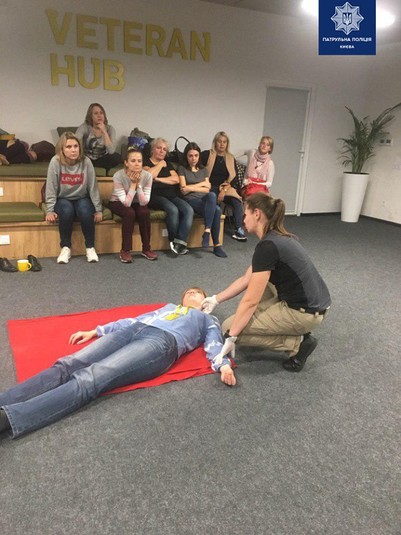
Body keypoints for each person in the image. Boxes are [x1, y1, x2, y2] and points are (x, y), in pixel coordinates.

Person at [0, 287, 236, 439]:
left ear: (206, 300)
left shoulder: (207, 318)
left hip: (161, 342)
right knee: (69, 363)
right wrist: (96, 330)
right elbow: (133, 320)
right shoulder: (169, 307)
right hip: (136, 329)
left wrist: (222, 364)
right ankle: (5, 400)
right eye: (189, 291)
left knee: (91, 377)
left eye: (198, 292)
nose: (192, 293)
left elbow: (214, 343)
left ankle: (9, 418)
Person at [202, 193, 331, 372]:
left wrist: (232, 336)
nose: (243, 219)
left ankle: (298, 343)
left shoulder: (267, 247)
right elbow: (246, 279)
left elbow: (250, 301)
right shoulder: (279, 237)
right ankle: (271, 322)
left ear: (257, 214)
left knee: (229, 327)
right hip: (315, 304)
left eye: (245, 214)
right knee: (258, 283)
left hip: (305, 314)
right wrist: (215, 299)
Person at [45, 132, 103, 264]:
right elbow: (51, 187)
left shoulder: (86, 161)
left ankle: (90, 247)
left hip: (82, 197)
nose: (73, 150)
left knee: (85, 210)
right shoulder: (55, 161)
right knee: (67, 210)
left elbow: (93, 186)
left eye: (76, 146)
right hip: (63, 198)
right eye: (69, 147)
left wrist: (98, 209)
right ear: (62, 149)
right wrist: (49, 210)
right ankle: (65, 248)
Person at [144, 138, 194, 255]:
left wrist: (158, 179)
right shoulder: (146, 162)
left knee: (188, 210)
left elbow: (176, 179)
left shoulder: (169, 164)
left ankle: (179, 242)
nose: (162, 151)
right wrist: (160, 164)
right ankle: (172, 241)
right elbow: (149, 176)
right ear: (152, 149)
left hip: (171, 195)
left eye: (164, 149)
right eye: (159, 148)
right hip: (154, 195)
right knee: (173, 210)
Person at [178, 142, 227, 258]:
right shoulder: (182, 169)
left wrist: (190, 187)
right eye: (190, 156)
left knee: (212, 195)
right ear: (186, 156)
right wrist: (201, 184)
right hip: (191, 200)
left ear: (199, 156)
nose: (193, 158)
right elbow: (183, 190)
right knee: (217, 210)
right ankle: (217, 245)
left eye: (196, 155)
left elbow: (207, 188)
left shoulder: (204, 170)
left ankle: (207, 231)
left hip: (205, 199)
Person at [109, 147, 157, 263]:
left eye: (139, 161)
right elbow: (126, 203)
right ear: (126, 163)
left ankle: (146, 249)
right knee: (129, 213)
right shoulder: (118, 176)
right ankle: (125, 250)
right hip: (117, 201)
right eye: (133, 161)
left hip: (137, 201)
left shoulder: (147, 176)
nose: (137, 164)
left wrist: (138, 185)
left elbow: (144, 202)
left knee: (144, 212)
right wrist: (133, 184)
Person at [201, 131, 247, 242]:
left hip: (225, 187)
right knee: (213, 199)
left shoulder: (231, 158)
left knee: (237, 201)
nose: (222, 144)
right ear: (215, 142)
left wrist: (224, 190)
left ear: (227, 144)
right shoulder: (207, 154)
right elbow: (198, 169)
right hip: (210, 186)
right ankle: (211, 231)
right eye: (219, 141)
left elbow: (234, 178)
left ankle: (238, 229)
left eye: (224, 142)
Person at [76, 103, 121, 171]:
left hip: (102, 158)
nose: (99, 116)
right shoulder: (85, 127)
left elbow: (111, 151)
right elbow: (75, 141)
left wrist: (104, 132)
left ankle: (89, 166)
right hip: (88, 158)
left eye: (101, 113)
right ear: (90, 116)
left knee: (117, 157)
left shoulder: (110, 129)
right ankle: (88, 165)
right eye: (96, 113)